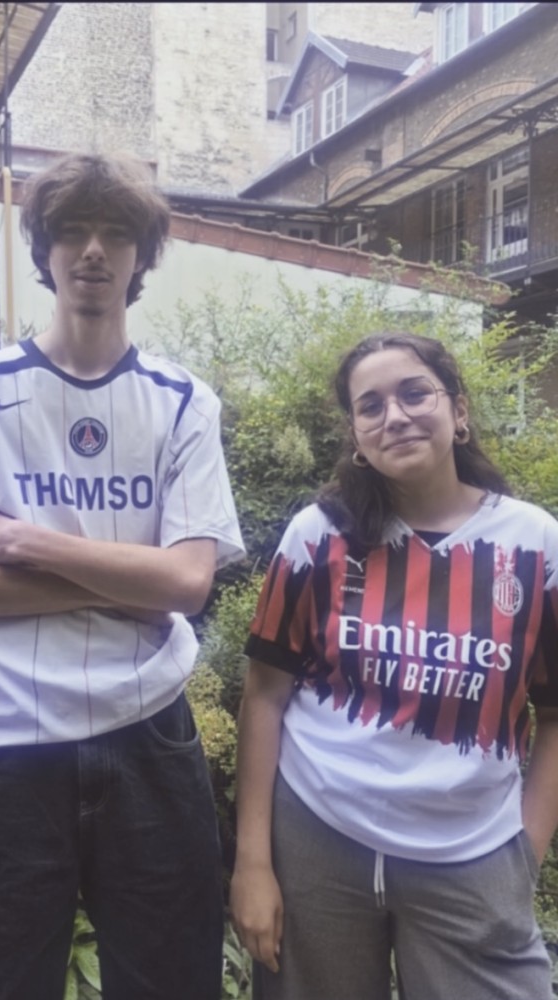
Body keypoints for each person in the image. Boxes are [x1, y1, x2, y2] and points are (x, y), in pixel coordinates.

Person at [0, 152, 245, 999]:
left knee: (170, 983)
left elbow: (189, 583)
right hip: (4, 740)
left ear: (142, 257)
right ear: (44, 250)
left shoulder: (183, 401)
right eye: (73, 231)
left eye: (116, 233)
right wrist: (130, 582)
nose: (93, 251)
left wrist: (30, 543)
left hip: (148, 732)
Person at [231, 331, 558, 1000]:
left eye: (415, 394)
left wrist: (525, 850)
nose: (396, 416)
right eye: (371, 405)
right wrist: (252, 864)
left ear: (458, 412)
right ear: (356, 435)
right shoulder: (318, 537)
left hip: (472, 854)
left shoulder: (535, 547)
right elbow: (263, 697)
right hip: (317, 839)